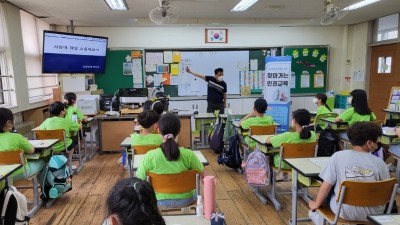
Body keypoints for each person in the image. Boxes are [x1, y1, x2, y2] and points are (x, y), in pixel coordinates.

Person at [308, 122, 389, 223]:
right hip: (375, 213)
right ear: (369, 143)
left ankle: (319, 218)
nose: (377, 145)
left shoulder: (337, 156)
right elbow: (387, 192)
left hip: (344, 211)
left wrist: (316, 204)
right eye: (377, 142)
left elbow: (326, 186)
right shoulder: (380, 163)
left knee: (330, 188)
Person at [136, 113, 206, 207]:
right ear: (179, 131)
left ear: (158, 130)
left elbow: (138, 182)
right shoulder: (189, 154)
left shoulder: (150, 156)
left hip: (159, 201)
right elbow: (205, 178)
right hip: (186, 200)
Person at [0, 108, 44, 181]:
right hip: (20, 172)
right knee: (42, 162)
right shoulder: (16, 137)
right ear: (8, 122)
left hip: (2, 174)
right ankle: (46, 190)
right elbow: (31, 150)